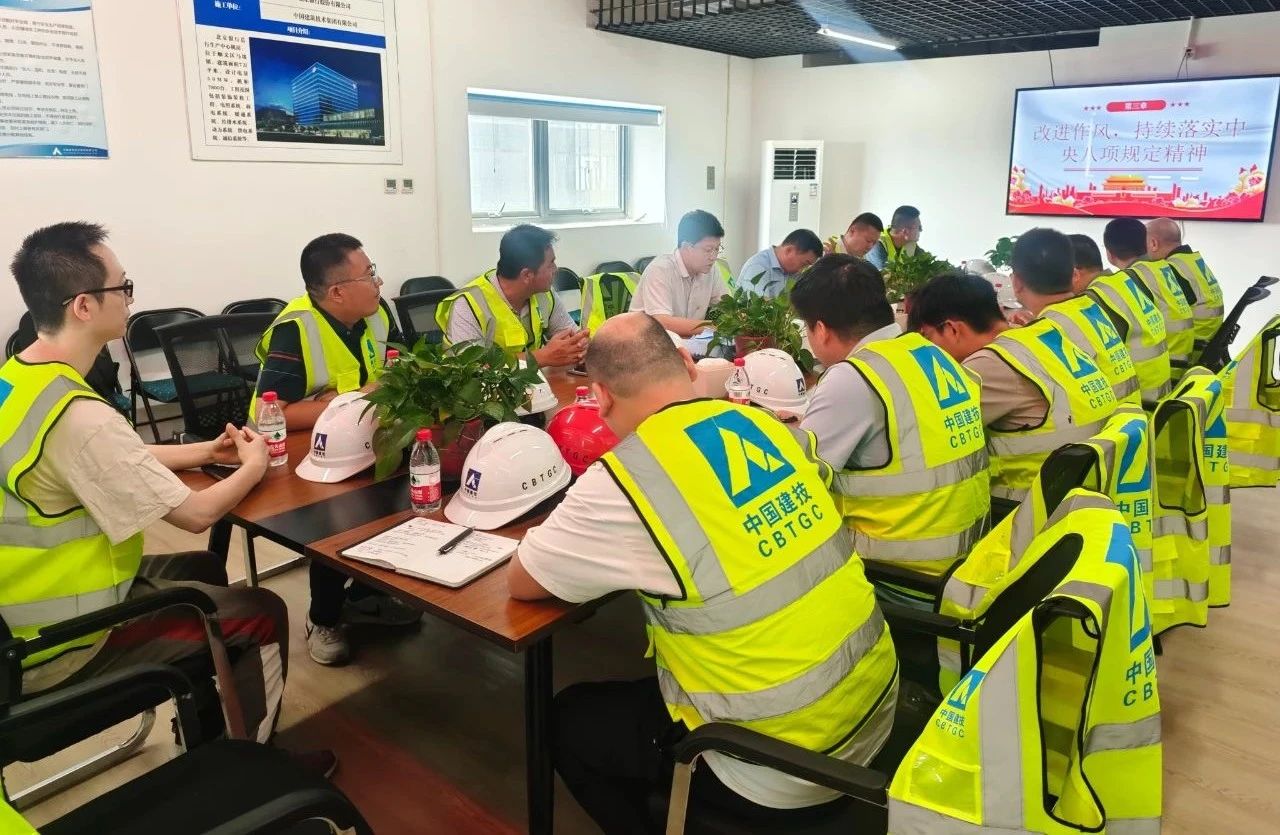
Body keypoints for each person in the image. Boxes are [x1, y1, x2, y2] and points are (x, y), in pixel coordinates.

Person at [507, 313, 898, 833]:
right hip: (874, 710)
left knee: (569, 720)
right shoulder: (768, 426)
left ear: (599, 397)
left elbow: (524, 580)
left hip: (776, 765)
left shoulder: (628, 477)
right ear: (687, 365)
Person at [3, 222, 297, 755]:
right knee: (262, 613)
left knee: (205, 570)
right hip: (59, 644)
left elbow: (105, 459)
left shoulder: (19, 381)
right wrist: (254, 464)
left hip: (21, 611)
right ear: (83, 306)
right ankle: (254, 765)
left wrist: (206, 452)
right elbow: (197, 515)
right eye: (124, 286)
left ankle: (207, 732)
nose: (131, 298)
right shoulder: (79, 415)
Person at [254, 233, 418, 666]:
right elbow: (272, 413)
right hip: (312, 452)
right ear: (337, 292)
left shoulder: (377, 314)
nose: (379, 282)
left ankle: (366, 594)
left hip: (373, 438)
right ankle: (323, 617)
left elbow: (399, 371)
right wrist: (351, 399)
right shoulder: (296, 329)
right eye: (369, 274)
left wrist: (351, 399)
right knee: (338, 521)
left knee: (402, 501)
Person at [792, 255, 988, 579]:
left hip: (896, 575)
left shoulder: (854, 377)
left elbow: (797, 478)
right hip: (966, 562)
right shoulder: (933, 354)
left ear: (822, 330)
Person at [910, 273, 1117, 503]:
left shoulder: (988, 365)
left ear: (952, 330)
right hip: (1088, 493)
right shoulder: (1038, 336)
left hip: (1028, 509)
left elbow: (921, 434)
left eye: (927, 337)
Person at [1013, 229, 1141, 406]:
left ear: (1016, 282)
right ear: (1073, 275)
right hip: (1133, 414)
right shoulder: (1090, 307)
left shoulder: (1048, 331)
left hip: (1110, 417)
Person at [436, 224, 587, 366]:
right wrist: (540, 357)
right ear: (527, 275)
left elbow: (572, 337)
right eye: (551, 263)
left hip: (533, 383)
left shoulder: (544, 294)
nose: (555, 269)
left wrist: (581, 345)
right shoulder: (468, 305)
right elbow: (474, 369)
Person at [1072, 232, 1172, 409]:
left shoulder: (1093, 301)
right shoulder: (1124, 281)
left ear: (1075, 274)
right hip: (1158, 395)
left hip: (1137, 407)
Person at [1103, 218, 1195, 383]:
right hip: (1182, 359)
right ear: (1146, 244)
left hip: (1162, 372)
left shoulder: (1128, 282)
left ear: (1109, 254)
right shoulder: (1164, 267)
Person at [629, 210, 728, 337]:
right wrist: (714, 327)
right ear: (686, 247)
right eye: (708, 250)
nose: (713, 257)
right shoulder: (660, 270)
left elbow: (728, 307)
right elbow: (663, 323)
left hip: (687, 343)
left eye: (717, 249)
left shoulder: (711, 270)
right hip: (647, 342)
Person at [1146, 216, 1225, 356]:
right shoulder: (1193, 260)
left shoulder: (1170, 269)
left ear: (1153, 244)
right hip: (1208, 336)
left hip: (1192, 346)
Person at [736, 228, 823, 298]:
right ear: (789, 250)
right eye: (804, 264)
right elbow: (759, 308)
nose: (802, 270)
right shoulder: (758, 266)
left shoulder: (792, 272)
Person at [866, 205, 926, 270]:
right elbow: (882, 275)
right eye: (919, 227)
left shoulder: (911, 244)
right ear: (905, 231)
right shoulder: (876, 244)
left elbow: (927, 265)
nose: (921, 230)